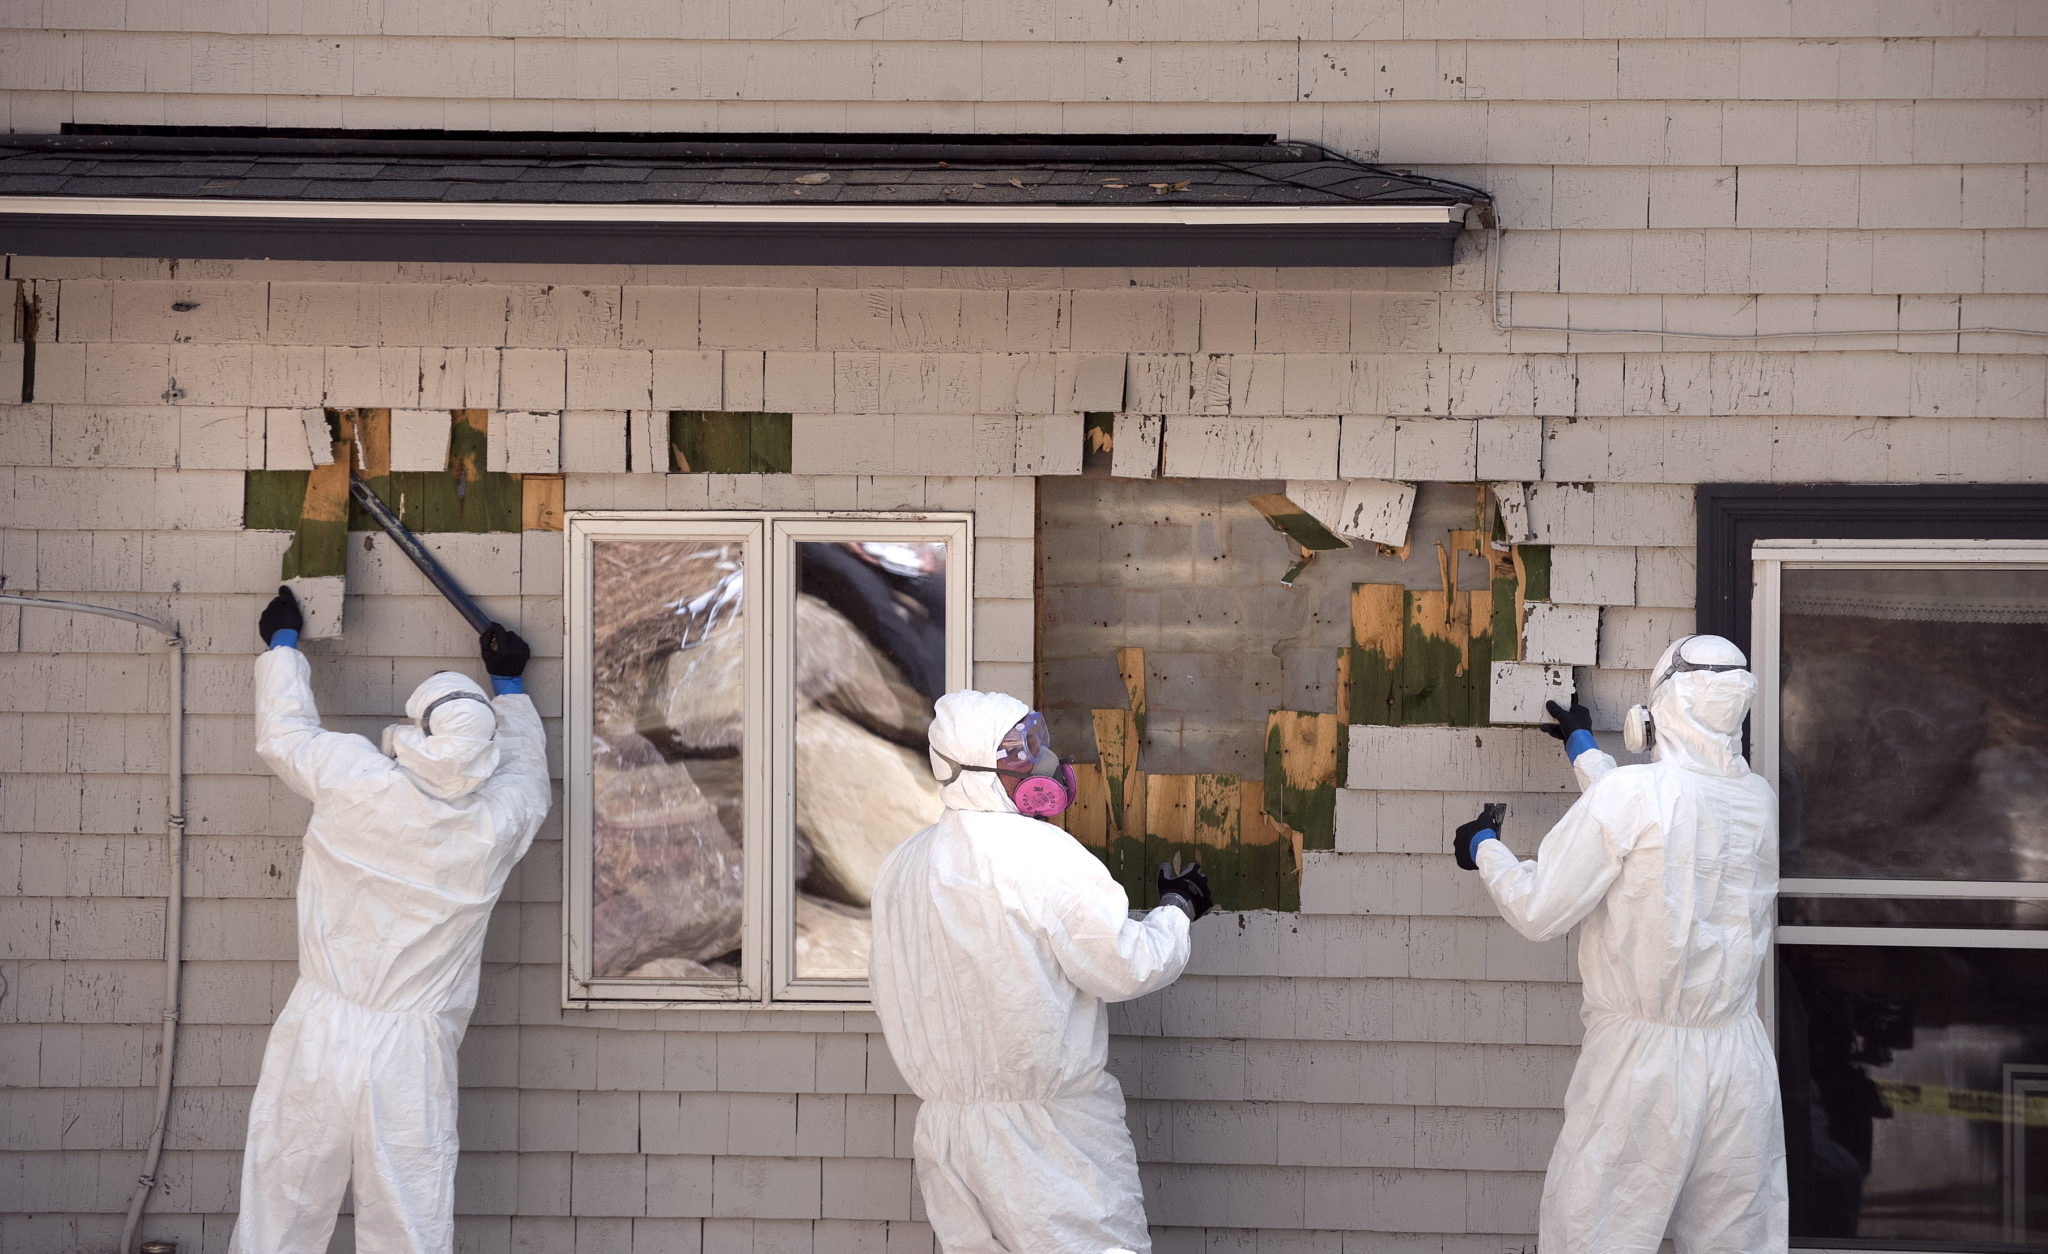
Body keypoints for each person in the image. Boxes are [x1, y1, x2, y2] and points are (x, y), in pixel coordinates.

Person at [230, 587, 552, 1254]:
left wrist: (283, 644)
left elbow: (285, 736)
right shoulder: (494, 824)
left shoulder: (357, 777)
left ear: (420, 729)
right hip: (412, 1051)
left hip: (321, 1023)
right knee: (409, 1216)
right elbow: (529, 779)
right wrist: (511, 685)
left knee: (282, 1204)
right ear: (482, 748)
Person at [1450, 635, 1787, 1254]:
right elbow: (1662, 823)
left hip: (1641, 1068)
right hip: (1739, 1063)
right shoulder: (1758, 802)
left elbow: (1538, 908)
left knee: (1596, 1235)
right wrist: (1582, 749)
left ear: (1655, 715)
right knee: (1735, 1241)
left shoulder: (1634, 798)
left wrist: (1484, 849)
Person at [868, 691, 1212, 1254]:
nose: (1039, 759)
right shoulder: (1039, 853)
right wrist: (1177, 910)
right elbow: (1123, 963)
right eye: (1018, 750)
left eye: (1036, 738)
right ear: (971, 767)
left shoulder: (901, 866)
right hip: (1050, 1146)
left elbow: (889, 989)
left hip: (948, 1141)